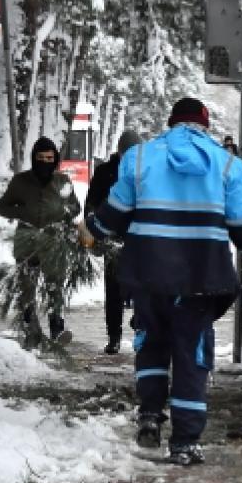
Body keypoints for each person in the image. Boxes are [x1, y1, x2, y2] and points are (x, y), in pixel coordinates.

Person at [80, 97, 242, 466]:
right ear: (204, 126)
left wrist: (90, 230)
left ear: (171, 122)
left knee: (150, 345)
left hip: (147, 275)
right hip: (199, 279)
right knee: (192, 357)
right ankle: (185, 442)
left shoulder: (140, 157)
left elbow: (113, 215)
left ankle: (148, 414)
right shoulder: (228, 166)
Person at [0, 136, 82, 348]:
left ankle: (57, 328)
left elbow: (75, 207)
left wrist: (63, 211)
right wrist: (23, 211)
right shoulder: (21, 181)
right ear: (34, 158)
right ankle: (30, 329)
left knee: (55, 287)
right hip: (27, 243)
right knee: (27, 288)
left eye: (50, 157)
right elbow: (3, 207)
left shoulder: (62, 181)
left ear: (55, 159)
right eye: (41, 157)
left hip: (53, 243)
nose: (46, 161)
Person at [85, 130, 143, 354]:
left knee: (142, 288)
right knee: (114, 291)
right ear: (119, 152)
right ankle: (114, 336)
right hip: (112, 238)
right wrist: (96, 230)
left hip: (140, 240)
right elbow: (91, 203)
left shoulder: (146, 171)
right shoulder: (104, 172)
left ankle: (141, 328)